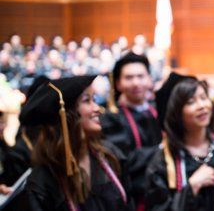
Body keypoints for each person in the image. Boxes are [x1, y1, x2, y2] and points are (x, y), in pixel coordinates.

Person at [21, 75, 133, 210]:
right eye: (87, 101)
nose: (97, 108)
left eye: (94, 99)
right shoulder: (43, 183)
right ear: (67, 115)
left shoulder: (110, 155)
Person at [145, 74, 214, 211]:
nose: (201, 106)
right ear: (177, 112)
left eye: (203, 98)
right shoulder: (163, 161)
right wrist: (192, 187)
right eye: (191, 102)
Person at [100, 52, 162, 207]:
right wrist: (164, 149)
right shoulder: (111, 119)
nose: (136, 83)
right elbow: (124, 160)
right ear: (118, 84)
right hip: (135, 197)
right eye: (128, 77)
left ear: (149, 79)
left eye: (141, 76)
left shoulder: (159, 110)